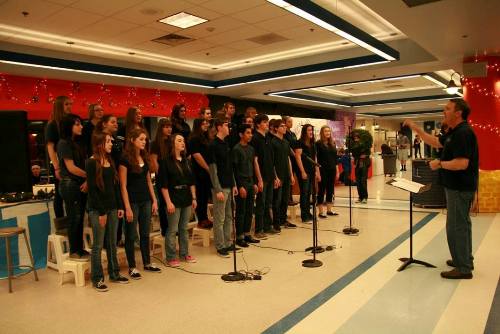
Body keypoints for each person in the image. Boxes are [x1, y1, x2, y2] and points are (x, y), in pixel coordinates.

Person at [404, 99, 478, 279]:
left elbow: (462, 163)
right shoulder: (455, 132)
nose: (444, 111)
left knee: (456, 226)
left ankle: (463, 268)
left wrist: (440, 164)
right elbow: (436, 142)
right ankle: (465, 259)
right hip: (457, 187)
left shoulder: (463, 133)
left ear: (458, 113)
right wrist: (417, 129)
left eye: (448, 108)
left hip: (459, 188)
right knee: (462, 224)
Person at [86, 132, 129, 292]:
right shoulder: (91, 163)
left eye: (111, 141)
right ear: (99, 144)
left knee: (112, 242)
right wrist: (102, 212)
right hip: (98, 210)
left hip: (112, 208)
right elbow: (93, 191)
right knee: (98, 245)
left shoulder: (110, 161)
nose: (112, 143)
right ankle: (97, 278)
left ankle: (114, 273)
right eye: (109, 141)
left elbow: (115, 186)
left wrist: (119, 206)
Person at [119, 128, 161, 279]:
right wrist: (127, 207)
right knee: (131, 235)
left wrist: (154, 199)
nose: (144, 142)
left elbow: (149, 180)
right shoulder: (125, 159)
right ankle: (132, 266)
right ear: (132, 140)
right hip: (132, 201)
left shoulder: (145, 157)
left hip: (146, 200)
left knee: (145, 233)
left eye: (145, 139)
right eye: (141, 139)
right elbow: (123, 185)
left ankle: (147, 263)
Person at [159, 134, 197, 267]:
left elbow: (192, 181)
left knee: (184, 228)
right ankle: (170, 257)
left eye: (183, 140)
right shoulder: (165, 161)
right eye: (179, 140)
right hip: (173, 197)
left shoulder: (187, 161)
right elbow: (163, 185)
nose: (183, 143)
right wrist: (168, 202)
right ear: (173, 144)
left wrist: (193, 197)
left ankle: (184, 253)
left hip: (186, 196)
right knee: (172, 228)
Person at [57, 113, 88, 261]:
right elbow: (71, 168)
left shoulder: (78, 143)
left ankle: (79, 248)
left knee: (80, 217)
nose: (81, 126)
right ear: (69, 126)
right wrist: (89, 176)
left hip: (78, 182)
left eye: (81, 123)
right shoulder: (63, 143)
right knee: (74, 217)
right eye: (77, 124)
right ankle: (74, 251)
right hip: (69, 184)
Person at [207, 118, 239, 257]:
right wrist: (218, 188)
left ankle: (227, 242)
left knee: (229, 217)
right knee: (219, 218)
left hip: (229, 185)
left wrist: (234, 184)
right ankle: (220, 246)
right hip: (219, 187)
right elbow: (213, 170)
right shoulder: (213, 145)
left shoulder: (226, 144)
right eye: (226, 125)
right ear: (219, 127)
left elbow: (229, 167)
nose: (229, 128)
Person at [232, 124, 261, 248]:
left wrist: (255, 182)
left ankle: (247, 233)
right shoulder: (236, 149)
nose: (250, 135)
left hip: (250, 182)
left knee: (250, 210)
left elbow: (253, 167)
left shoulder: (251, 149)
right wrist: (240, 186)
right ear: (241, 134)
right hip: (242, 183)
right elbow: (235, 170)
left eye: (251, 133)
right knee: (241, 211)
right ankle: (239, 236)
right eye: (248, 133)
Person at [251, 114, 279, 237]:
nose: (267, 124)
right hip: (261, 177)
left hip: (269, 175)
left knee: (268, 203)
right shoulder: (255, 139)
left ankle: (268, 226)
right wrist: (259, 179)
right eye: (264, 122)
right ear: (258, 124)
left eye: (267, 122)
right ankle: (258, 229)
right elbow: (255, 160)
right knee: (261, 204)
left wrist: (275, 176)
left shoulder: (268, 137)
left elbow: (271, 160)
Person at [45, 95, 72, 218]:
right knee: (60, 195)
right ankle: (61, 223)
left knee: (69, 193)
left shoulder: (69, 122)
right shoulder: (52, 125)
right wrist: (56, 167)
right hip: (59, 163)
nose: (69, 106)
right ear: (59, 106)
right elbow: (50, 147)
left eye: (70, 104)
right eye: (66, 104)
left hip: (70, 160)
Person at [271, 119, 296, 229]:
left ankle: (283, 219)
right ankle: (276, 222)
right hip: (278, 175)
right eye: (282, 126)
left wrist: (291, 174)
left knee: (285, 199)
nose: (284, 128)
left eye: (285, 126)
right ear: (276, 128)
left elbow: (288, 159)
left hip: (286, 174)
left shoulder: (286, 142)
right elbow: (271, 162)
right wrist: (275, 176)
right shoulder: (273, 142)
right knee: (277, 200)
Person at [188, 118, 213, 229]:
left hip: (206, 172)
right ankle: (201, 219)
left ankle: (205, 218)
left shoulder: (206, 138)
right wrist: (208, 168)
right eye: (203, 123)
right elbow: (196, 156)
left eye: (207, 123)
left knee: (205, 196)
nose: (206, 125)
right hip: (199, 171)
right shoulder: (194, 139)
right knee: (200, 196)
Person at [150, 118, 172, 236]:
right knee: (163, 203)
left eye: (170, 126)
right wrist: (161, 174)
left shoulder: (171, 141)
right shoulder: (155, 143)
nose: (169, 129)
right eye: (166, 127)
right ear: (161, 128)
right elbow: (154, 161)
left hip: (172, 175)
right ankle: (165, 229)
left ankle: (172, 228)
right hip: (162, 176)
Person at [294, 124, 320, 223]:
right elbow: (298, 157)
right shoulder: (299, 142)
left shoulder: (313, 144)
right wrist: (302, 171)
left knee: (309, 193)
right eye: (309, 130)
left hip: (311, 170)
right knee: (304, 193)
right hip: (304, 171)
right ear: (305, 131)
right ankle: (304, 216)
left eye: (312, 130)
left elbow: (315, 158)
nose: (311, 132)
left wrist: (317, 171)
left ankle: (308, 213)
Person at [316, 126, 339, 218]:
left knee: (330, 190)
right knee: (321, 190)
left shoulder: (332, 143)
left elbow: (335, 159)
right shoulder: (318, 144)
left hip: (332, 169)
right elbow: (316, 159)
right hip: (322, 170)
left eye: (329, 131)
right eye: (325, 131)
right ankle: (321, 212)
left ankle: (329, 210)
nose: (327, 133)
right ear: (322, 132)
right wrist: (317, 172)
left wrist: (337, 171)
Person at [283, 116, 299, 206]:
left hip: (295, 157)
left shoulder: (292, 133)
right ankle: (288, 198)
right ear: (285, 123)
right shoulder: (285, 134)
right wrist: (293, 153)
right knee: (290, 176)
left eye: (291, 121)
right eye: (289, 121)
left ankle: (291, 197)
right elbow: (288, 146)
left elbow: (296, 144)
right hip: (289, 157)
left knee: (292, 178)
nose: (291, 123)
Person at [351, 132, 370, 204]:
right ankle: (360, 197)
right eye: (355, 138)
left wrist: (365, 155)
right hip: (357, 164)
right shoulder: (354, 146)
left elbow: (367, 154)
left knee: (363, 181)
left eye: (357, 138)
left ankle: (365, 197)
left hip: (364, 164)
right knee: (358, 182)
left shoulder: (365, 145)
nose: (356, 139)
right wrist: (356, 157)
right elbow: (354, 155)